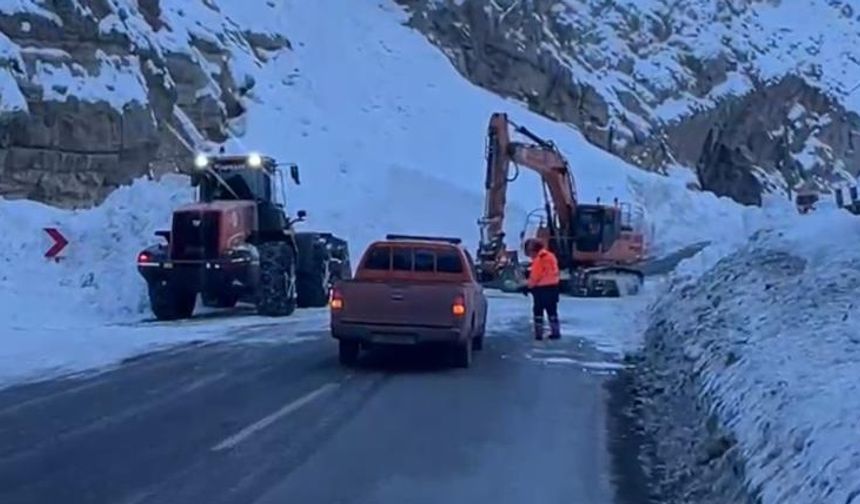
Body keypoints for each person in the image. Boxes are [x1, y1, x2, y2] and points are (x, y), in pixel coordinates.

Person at [521, 238, 561, 340]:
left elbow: (535, 276)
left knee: (538, 311)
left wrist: (527, 287)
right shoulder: (551, 256)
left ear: (532, 250)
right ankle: (555, 332)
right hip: (554, 288)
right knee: (552, 311)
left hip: (541, 290)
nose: (530, 256)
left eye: (529, 253)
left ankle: (539, 334)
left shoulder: (539, 259)